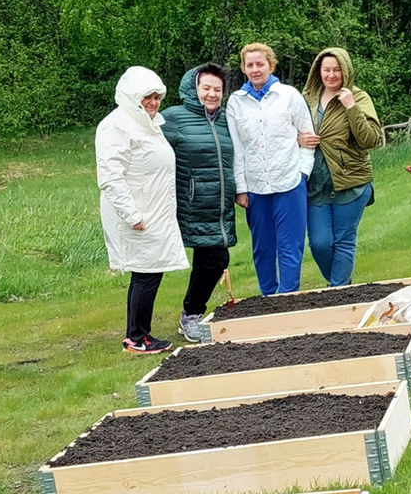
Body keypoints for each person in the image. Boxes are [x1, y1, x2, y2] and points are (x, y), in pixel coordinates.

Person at [96, 66, 188, 354]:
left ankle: (140, 334)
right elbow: (111, 176)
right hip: (137, 214)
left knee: (150, 271)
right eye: (147, 97)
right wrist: (132, 215)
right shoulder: (116, 126)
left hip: (153, 210)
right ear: (132, 97)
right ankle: (136, 338)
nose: (153, 102)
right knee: (146, 273)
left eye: (156, 96)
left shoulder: (147, 124)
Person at [225, 42, 313, 295]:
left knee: (290, 245)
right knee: (263, 247)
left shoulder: (289, 95)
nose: (255, 69)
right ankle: (268, 296)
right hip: (255, 187)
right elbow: (237, 149)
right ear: (243, 68)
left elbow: (308, 137)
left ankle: (287, 297)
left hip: (289, 182)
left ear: (271, 65)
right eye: (249, 65)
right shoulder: (236, 103)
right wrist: (241, 189)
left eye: (260, 64)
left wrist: (302, 174)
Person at [160, 63, 235, 343]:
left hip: (217, 206)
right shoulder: (173, 118)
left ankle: (191, 315)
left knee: (216, 259)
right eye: (206, 88)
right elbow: (151, 154)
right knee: (153, 266)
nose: (212, 94)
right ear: (193, 88)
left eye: (217, 89)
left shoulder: (228, 119)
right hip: (183, 203)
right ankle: (138, 330)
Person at [300, 47, 384, 286]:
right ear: (318, 71)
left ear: (345, 71)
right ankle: (340, 285)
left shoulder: (359, 98)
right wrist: (299, 139)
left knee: (344, 240)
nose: (331, 75)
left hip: (351, 184)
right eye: (326, 69)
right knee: (319, 243)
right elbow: (287, 132)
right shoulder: (307, 98)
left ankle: (338, 293)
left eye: (337, 70)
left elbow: (370, 139)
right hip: (315, 185)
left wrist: (351, 108)